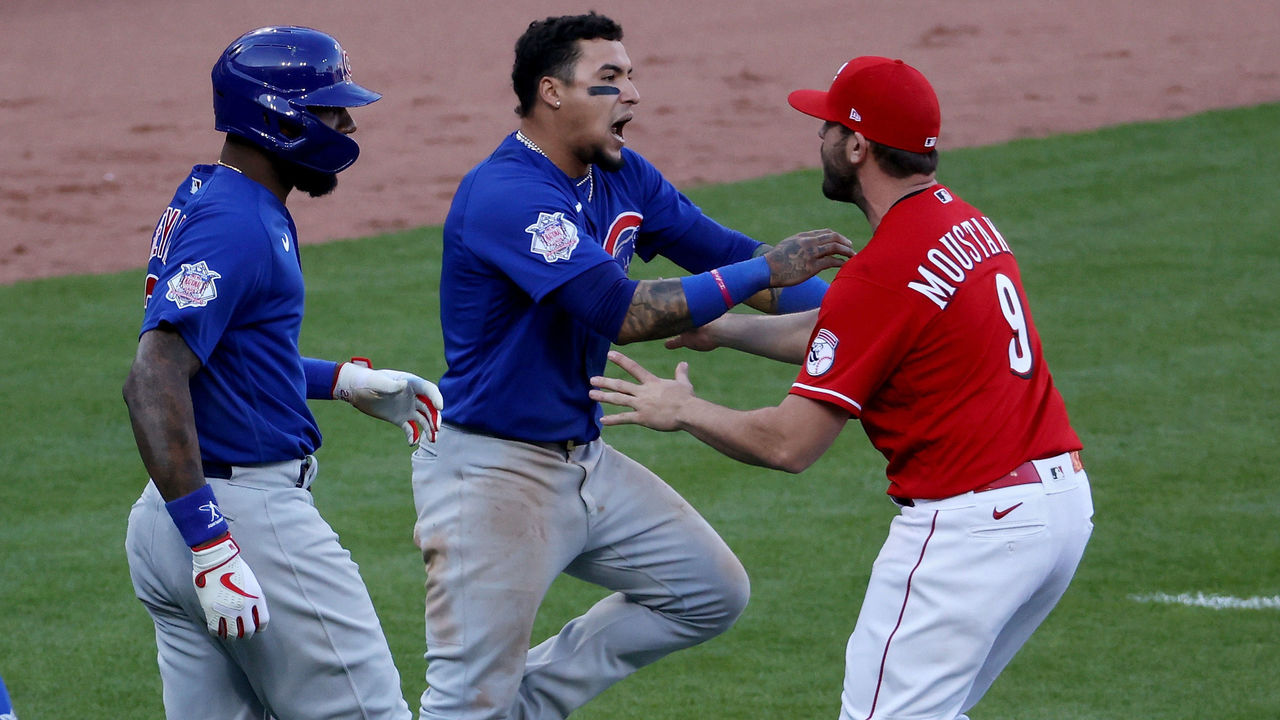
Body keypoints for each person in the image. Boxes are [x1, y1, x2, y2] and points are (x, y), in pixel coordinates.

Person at [590, 56, 1095, 720]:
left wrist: (684, 409)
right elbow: (853, 333)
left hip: (973, 529)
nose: (819, 137)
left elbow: (787, 444)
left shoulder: (883, 270)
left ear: (857, 145)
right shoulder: (961, 223)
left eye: (828, 124)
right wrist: (728, 330)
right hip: (1055, 512)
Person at [411, 12, 852, 720]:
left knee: (708, 593)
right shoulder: (506, 195)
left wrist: (863, 318)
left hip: (585, 459)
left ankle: (523, 707)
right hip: (492, 477)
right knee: (465, 701)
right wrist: (760, 270)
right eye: (609, 80)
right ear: (552, 92)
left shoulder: (622, 176)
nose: (633, 95)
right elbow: (619, 310)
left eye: (631, 76)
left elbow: (727, 255)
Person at [122, 26, 441, 720]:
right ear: (278, 115)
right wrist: (212, 543)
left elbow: (225, 355)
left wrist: (341, 381)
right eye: (332, 110)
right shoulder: (236, 222)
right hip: (242, 520)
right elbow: (153, 375)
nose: (349, 126)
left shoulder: (222, 194)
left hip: (166, 518)